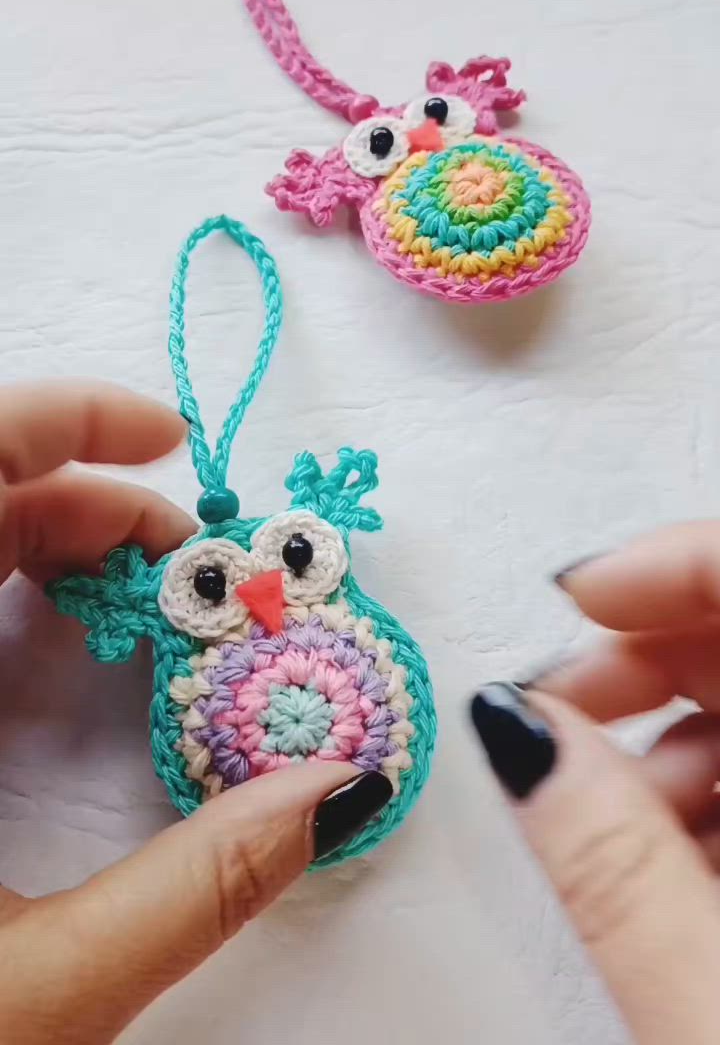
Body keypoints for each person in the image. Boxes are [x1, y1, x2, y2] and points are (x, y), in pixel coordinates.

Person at [0, 384, 716, 1045]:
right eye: (215, 584)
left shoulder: (347, 632)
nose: (262, 598)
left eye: (294, 557)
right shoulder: (199, 669)